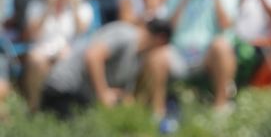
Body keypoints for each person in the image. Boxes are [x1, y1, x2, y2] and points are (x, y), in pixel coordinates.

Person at [144, 0, 238, 115]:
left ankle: (221, 107)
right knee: (157, 57)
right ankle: (157, 112)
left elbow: (225, 23)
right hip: (180, 54)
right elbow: (167, 30)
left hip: (206, 55)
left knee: (222, 46)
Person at [40, 19, 172, 118]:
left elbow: (119, 91)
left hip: (82, 99)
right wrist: (102, 93)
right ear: (161, 40)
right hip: (63, 90)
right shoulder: (125, 35)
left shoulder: (138, 57)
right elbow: (93, 56)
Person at [22, 0, 94, 112]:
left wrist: (72, 2)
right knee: (37, 59)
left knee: (65, 59)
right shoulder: (36, 6)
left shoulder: (83, 8)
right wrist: (50, 5)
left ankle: (59, 109)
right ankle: (36, 107)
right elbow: (31, 34)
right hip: (42, 54)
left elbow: (81, 31)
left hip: (69, 56)